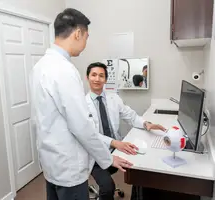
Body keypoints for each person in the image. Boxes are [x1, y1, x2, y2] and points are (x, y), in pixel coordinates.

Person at [30, 9, 132, 200]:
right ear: (78, 34)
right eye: (86, 37)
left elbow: (38, 116)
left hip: (50, 160)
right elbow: (82, 127)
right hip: (69, 166)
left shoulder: (40, 66)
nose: (85, 44)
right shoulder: (65, 70)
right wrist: (108, 158)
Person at [85, 62, 166, 200]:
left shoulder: (113, 98)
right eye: (93, 75)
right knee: (107, 187)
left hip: (116, 149)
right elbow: (90, 135)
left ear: (105, 79)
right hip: (95, 154)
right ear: (87, 78)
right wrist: (115, 143)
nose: (97, 79)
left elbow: (131, 116)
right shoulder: (81, 104)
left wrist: (146, 124)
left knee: (144, 166)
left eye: (101, 75)